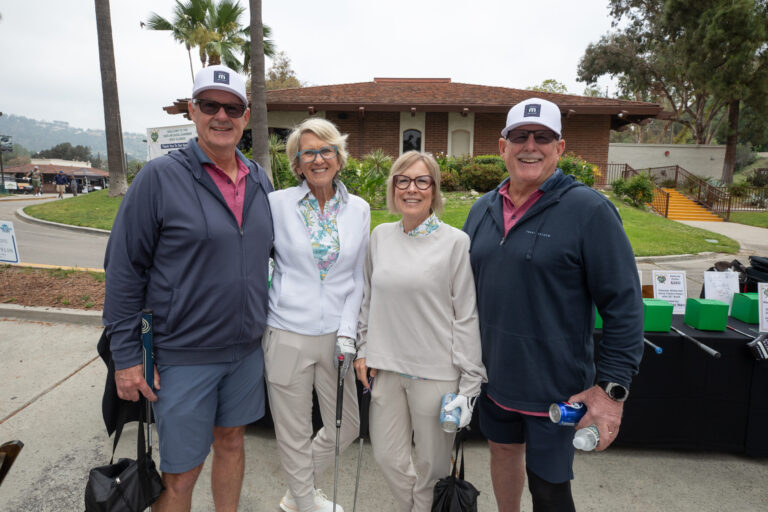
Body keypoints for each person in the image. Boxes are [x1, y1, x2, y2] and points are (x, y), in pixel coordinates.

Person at [103, 64, 273, 512]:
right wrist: (128, 356)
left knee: (233, 443)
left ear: (246, 115)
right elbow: (124, 270)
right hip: (180, 354)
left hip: (245, 351)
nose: (222, 115)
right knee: (180, 472)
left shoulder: (260, 180)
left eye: (232, 107)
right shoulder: (159, 178)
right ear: (192, 112)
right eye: (209, 105)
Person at [462, 97, 643, 511]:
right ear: (502, 145)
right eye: (520, 136)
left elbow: (624, 305)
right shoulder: (482, 209)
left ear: (560, 148)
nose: (531, 146)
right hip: (494, 377)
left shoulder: (589, 210)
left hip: (557, 388)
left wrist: (611, 392)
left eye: (542, 137)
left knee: (548, 487)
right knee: (502, 454)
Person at [355, 151, 486, 512]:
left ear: (434, 189)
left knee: (431, 469)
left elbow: (466, 316)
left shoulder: (455, 242)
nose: (411, 189)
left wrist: (470, 384)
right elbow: (368, 298)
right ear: (393, 186)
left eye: (421, 181)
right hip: (386, 369)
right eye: (403, 180)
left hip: (437, 374)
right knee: (387, 458)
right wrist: (363, 348)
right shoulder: (380, 236)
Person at [265, 117, 369, 512]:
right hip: (286, 332)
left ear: (339, 158)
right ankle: (305, 503)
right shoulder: (277, 204)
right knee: (292, 432)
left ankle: (298, 491)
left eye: (326, 150)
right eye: (308, 152)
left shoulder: (358, 209)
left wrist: (348, 332)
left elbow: (357, 276)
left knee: (348, 426)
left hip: (335, 337)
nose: (318, 158)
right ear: (297, 162)